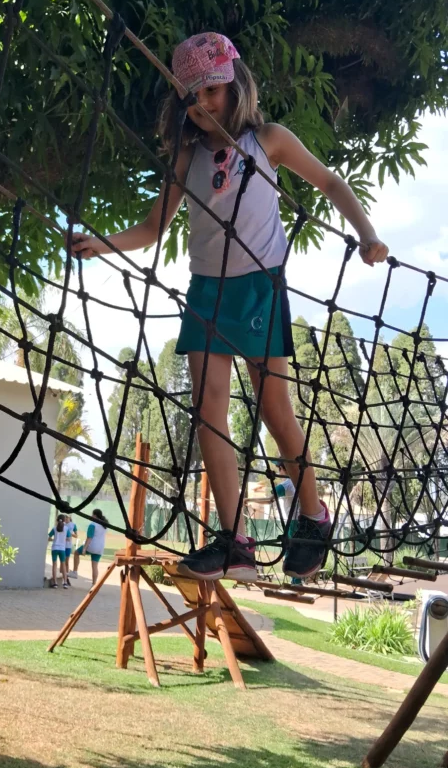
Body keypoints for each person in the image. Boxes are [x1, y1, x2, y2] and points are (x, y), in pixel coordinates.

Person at [72, 31, 388, 581]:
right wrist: (101, 243)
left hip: (260, 285)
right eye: (192, 97)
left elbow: (330, 182)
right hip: (207, 292)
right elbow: (152, 227)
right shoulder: (188, 157)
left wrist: (367, 234)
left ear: (235, 86)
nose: (203, 104)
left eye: (212, 91)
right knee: (207, 412)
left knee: (274, 410)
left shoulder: (268, 140)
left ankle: (313, 515)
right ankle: (234, 539)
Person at [72, 509, 108, 586]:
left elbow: (89, 538)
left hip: (92, 546)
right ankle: (94, 584)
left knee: (76, 553)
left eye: (92, 515)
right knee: (95, 566)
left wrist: (84, 548)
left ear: (95, 515)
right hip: (100, 548)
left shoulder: (93, 524)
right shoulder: (104, 525)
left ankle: (75, 571)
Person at [48, 515, 70, 589]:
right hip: (62, 549)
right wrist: (64, 539)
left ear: (57, 520)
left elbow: (49, 537)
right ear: (64, 520)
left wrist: (53, 540)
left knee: (54, 565)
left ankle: (55, 583)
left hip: (54, 548)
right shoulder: (66, 528)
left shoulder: (54, 528)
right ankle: (65, 583)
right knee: (63, 565)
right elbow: (69, 538)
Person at [63, 513, 78, 580]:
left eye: (67, 517)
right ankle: (62, 575)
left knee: (66, 561)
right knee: (62, 561)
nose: (66, 518)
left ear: (70, 518)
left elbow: (76, 535)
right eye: (65, 517)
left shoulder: (73, 525)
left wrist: (71, 534)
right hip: (62, 545)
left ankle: (66, 576)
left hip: (68, 545)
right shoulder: (62, 524)